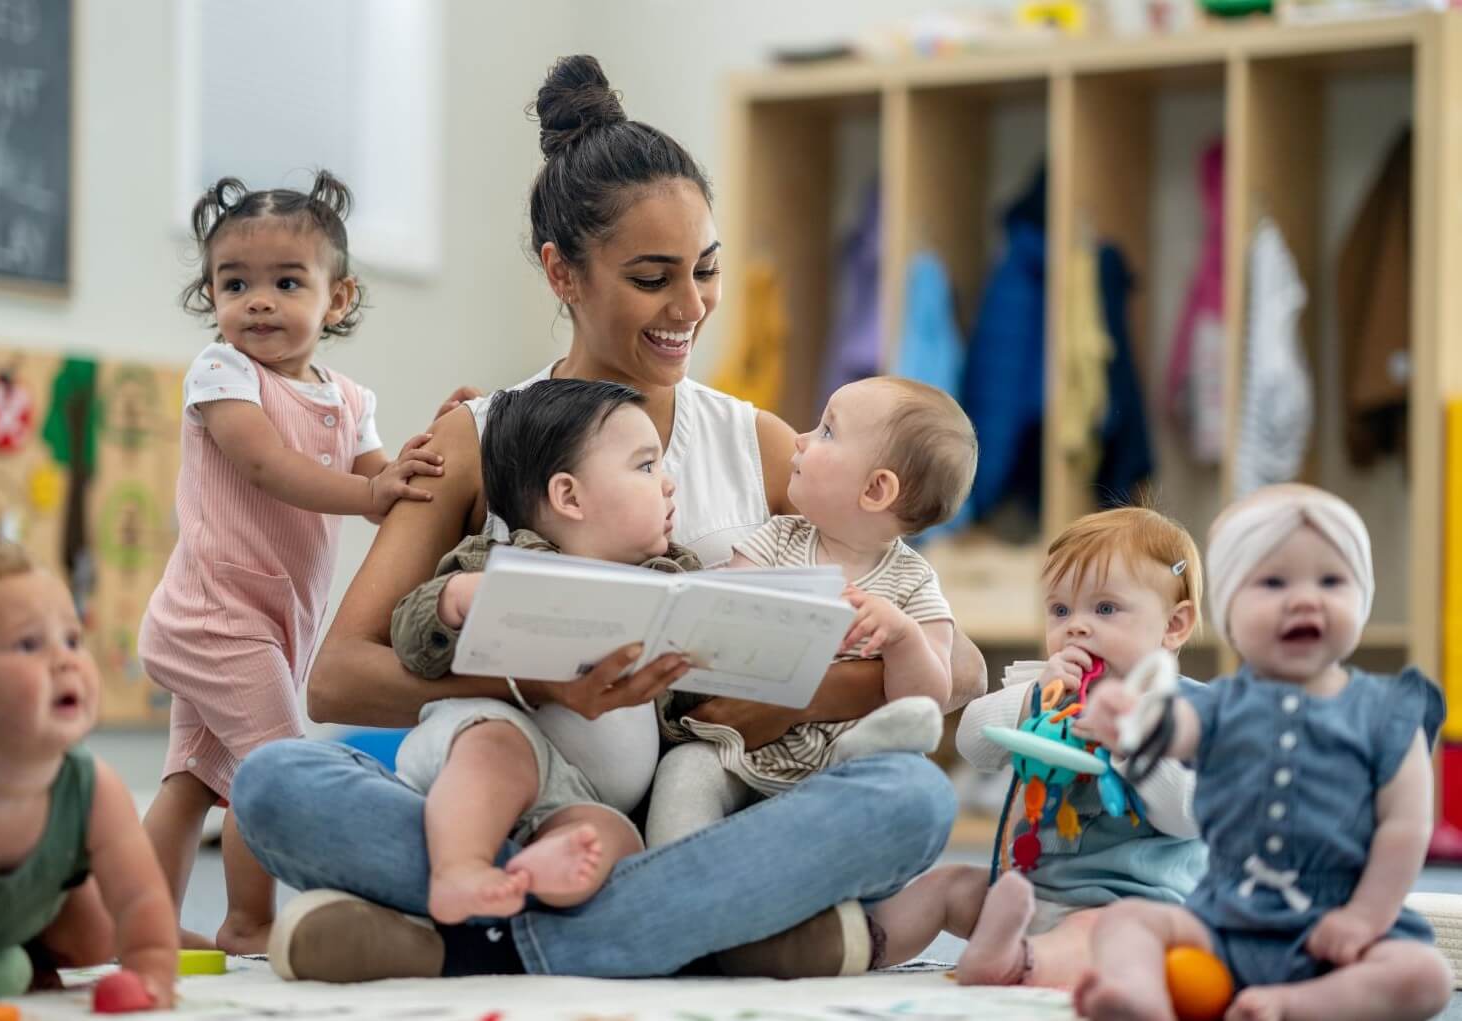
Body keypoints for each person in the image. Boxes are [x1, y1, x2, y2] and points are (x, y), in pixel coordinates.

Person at [234, 54, 986, 983]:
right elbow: (337, 680)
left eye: (705, 270)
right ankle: (683, 935)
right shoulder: (477, 437)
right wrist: (534, 690)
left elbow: (955, 665)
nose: (691, 307)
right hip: (513, 797)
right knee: (275, 784)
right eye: (651, 277)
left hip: (701, 812)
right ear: (563, 272)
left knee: (910, 797)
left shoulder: (761, 444)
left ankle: (479, 942)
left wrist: (759, 700)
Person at [138, 171, 440, 953]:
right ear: (210, 295)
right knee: (272, 768)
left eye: (285, 281)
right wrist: (370, 493)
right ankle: (249, 920)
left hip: (269, 622)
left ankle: (136, 921)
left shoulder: (349, 399)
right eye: (234, 283)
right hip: (215, 617)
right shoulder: (221, 374)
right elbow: (269, 466)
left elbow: (385, 485)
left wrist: (432, 449)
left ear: (337, 299)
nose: (258, 300)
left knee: (194, 780)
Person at [1075, 484, 1453, 1021]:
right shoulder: (1221, 704)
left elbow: (1405, 828)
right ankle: (1140, 998)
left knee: (1424, 976)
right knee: (1124, 922)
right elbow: (1175, 729)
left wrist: (1365, 919)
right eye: (1273, 582)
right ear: (1229, 611)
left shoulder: (1388, 713)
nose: (1304, 599)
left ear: (1361, 599)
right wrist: (1131, 720)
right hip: (1225, 920)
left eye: (1331, 581)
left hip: (1337, 930)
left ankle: (1301, 1004)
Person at [391, 379, 700, 925]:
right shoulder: (502, 564)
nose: (669, 484)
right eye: (646, 467)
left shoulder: (674, 582)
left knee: (616, 843)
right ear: (570, 497)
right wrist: (454, 601)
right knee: (497, 748)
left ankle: (528, 878)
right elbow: (413, 642)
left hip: (582, 797)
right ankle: (459, 869)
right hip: (494, 748)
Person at [865, 507, 1208, 987]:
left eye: (1105, 608)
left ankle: (1019, 962)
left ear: (1174, 625)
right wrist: (1031, 698)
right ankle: (855, 945)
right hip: (1026, 894)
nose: (1076, 627)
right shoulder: (1048, 689)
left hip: (1125, 910)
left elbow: (1190, 813)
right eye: (1061, 610)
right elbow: (973, 743)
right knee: (948, 886)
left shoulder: (1189, 713)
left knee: (1095, 935)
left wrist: (1131, 744)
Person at [648, 376, 975, 847]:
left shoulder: (913, 582)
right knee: (685, 768)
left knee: (898, 785)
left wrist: (903, 639)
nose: (800, 438)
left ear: (876, 489)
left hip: (848, 763)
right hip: (747, 749)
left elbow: (927, 699)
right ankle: (674, 875)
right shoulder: (778, 538)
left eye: (826, 431)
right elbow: (718, 610)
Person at [0, 545, 177, 1007]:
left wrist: (151, 969)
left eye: (72, 639)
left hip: (29, 920)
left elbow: (140, 898)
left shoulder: (94, 789)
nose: (65, 660)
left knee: (98, 938)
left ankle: (26, 957)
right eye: (29, 644)